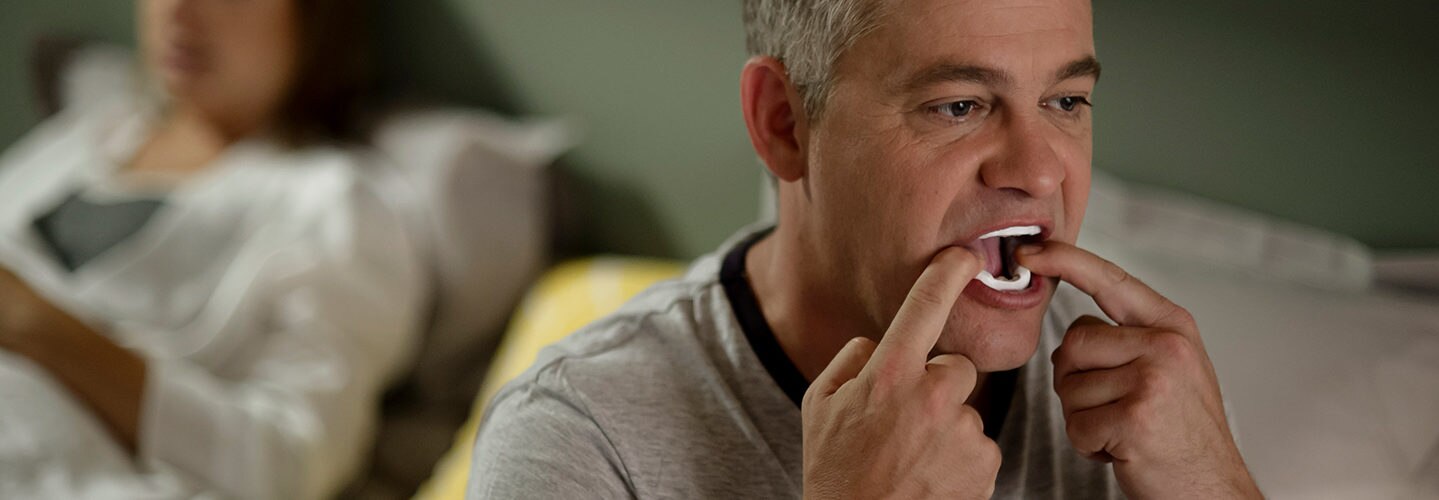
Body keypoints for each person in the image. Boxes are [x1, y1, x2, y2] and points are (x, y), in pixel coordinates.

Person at [469, 0, 1264, 498]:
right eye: (958, 106)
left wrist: (1215, 481)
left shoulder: (1140, 394)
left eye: (1065, 101)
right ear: (784, 123)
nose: (1037, 172)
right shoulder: (576, 442)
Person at [0, 0, 425, 498]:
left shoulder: (333, 202)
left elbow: (291, 462)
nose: (179, 10)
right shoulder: (90, 135)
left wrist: (37, 326)